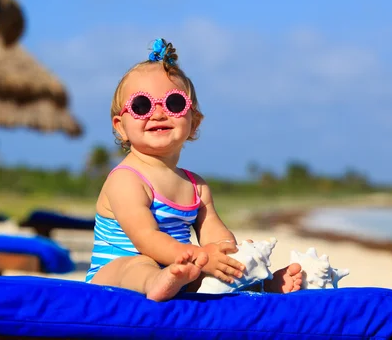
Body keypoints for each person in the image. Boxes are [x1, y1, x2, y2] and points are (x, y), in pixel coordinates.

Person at [85, 38, 302, 301]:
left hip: (180, 269)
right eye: (141, 106)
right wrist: (201, 256)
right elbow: (146, 238)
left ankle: (262, 285)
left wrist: (227, 253)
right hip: (113, 275)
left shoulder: (196, 186)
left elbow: (213, 231)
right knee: (139, 264)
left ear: (194, 123)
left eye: (174, 104)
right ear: (120, 126)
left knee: (213, 270)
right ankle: (157, 281)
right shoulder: (126, 179)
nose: (158, 113)